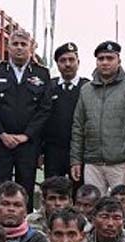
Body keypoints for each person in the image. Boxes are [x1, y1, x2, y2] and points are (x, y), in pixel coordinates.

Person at [0, 28, 51, 209]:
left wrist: (27, 135)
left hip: (28, 143)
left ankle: (26, 225)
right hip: (1, 141)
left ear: (31, 47)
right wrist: (1, 133)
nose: (19, 48)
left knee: (26, 187)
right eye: (15, 44)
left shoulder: (42, 74)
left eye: (24, 44)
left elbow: (44, 110)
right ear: (8, 47)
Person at [70, 41, 125, 193]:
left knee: (120, 209)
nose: (105, 62)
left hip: (121, 163)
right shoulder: (86, 90)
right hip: (92, 163)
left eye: (109, 58)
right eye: (101, 58)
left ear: (119, 61)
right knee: (93, 208)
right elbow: (78, 127)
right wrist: (76, 160)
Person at [42, 43, 88, 180]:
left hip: (80, 152)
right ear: (57, 64)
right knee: (53, 191)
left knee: (79, 195)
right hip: (53, 151)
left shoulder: (87, 88)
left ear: (78, 62)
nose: (67, 64)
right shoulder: (49, 87)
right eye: (63, 60)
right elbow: (42, 119)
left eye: (71, 60)